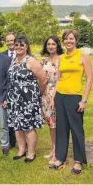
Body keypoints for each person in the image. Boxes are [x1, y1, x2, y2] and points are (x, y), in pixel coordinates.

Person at [50, 30, 92, 175]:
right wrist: (53, 97)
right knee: (61, 128)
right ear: (63, 41)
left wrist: (84, 100)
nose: (69, 41)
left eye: (71, 39)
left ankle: (78, 161)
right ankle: (60, 158)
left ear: (76, 40)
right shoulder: (61, 57)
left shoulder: (83, 56)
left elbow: (89, 79)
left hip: (75, 97)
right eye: (66, 39)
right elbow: (59, 79)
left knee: (76, 129)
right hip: (60, 96)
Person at [6, 35, 47, 163]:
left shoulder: (31, 60)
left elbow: (43, 79)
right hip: (14, 98)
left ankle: (31, 152)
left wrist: (37, 93)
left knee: (28, 127)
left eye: (21, 45)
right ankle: (21, 150)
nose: (18, 47)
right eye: (16, 45)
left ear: (26, 46)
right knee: (17, 126)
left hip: (28, 99)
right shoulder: (13, 60)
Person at [40, 35, 63, 164]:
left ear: (58, 45)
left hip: (57, 93)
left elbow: (60, 80)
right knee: (51, 124)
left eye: (53, 44)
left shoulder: (62, 60)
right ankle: (52, 149)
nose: (51, 46)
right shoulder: (44, 60)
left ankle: (57, 152)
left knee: (57, 124)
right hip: (45, 95)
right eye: (49, 44)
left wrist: (53, 97)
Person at [1, 32, 17, 148]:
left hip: (20, 89)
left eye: (12, 40)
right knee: (9, 116)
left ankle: (25, 141)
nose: (10, 43)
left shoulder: (23, 53)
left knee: (20, 115)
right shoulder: (2, 56)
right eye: (8, 41)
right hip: (8, 90)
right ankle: (12, 141)